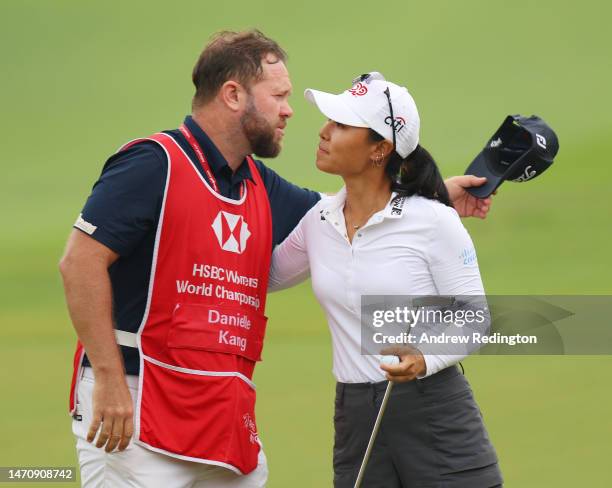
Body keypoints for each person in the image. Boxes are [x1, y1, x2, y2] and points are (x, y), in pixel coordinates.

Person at [59, 30, 493, 488]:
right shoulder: (153, 164)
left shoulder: (258, 185)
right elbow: (79, 262)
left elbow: (361, 212)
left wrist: (434, 198)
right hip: (134, 397)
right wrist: (106, 377)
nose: (290, 111)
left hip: (218, 409)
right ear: (233, 95)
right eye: (279, 96)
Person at [269, 72, 503, 487]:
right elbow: (265, 278)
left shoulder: (433, 221)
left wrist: (424, 358)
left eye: (341, 125)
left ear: (380, 149)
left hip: (432, 408)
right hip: (355, 415)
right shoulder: (318, 221)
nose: (323, 132)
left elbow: (474, 317)